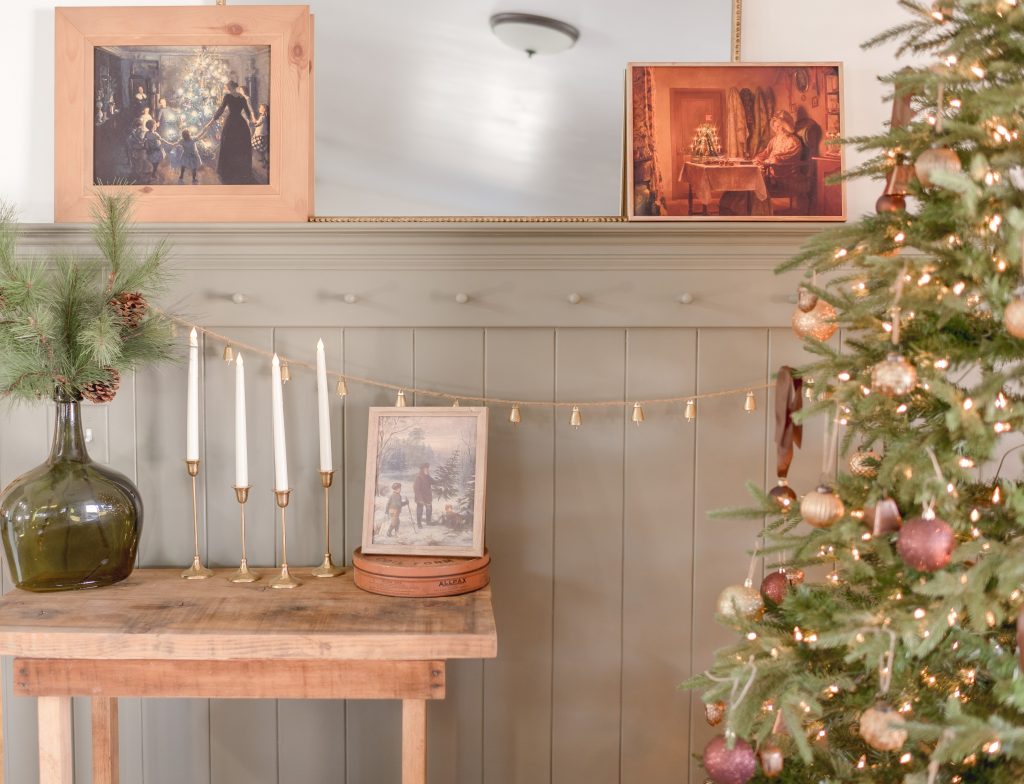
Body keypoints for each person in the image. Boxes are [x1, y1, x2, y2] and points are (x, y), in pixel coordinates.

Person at [202, 80, 254, 184]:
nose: (226, 88)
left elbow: (220, 110)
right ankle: (240, 171)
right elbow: (248, 113)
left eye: (227, 87)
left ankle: (229, 171)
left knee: (229, 145)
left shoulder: (228, 97)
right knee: (238, 146)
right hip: (240, 123)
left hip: (231, 123)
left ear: (230, 87)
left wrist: (210, 122)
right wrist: (251, 122)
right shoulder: (242, 98)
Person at [413, 463, 433, 528]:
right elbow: (416, 489)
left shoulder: (428, 477)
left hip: (427, 497)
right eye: (425, 469)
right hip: (420, 497)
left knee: (429, 509)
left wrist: (441, 481)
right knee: (420, 510)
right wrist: (419, 499)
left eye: (427, 469)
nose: (427, 470)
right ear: (422, 470)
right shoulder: (419, 478)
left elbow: (433, 482)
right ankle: (419, 523)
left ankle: (428, 522)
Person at [251, 103, 269, 167]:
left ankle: (265, 162)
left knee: (259, 148)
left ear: (263, 110)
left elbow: (257, 124)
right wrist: (255, 121)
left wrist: (254, 122)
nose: (259, 108)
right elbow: (258, 122)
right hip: (260, 135)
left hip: (260, 135)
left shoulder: (262, 117)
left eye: (260, 108)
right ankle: (263, 159)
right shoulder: (263, 117)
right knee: (260, 149)